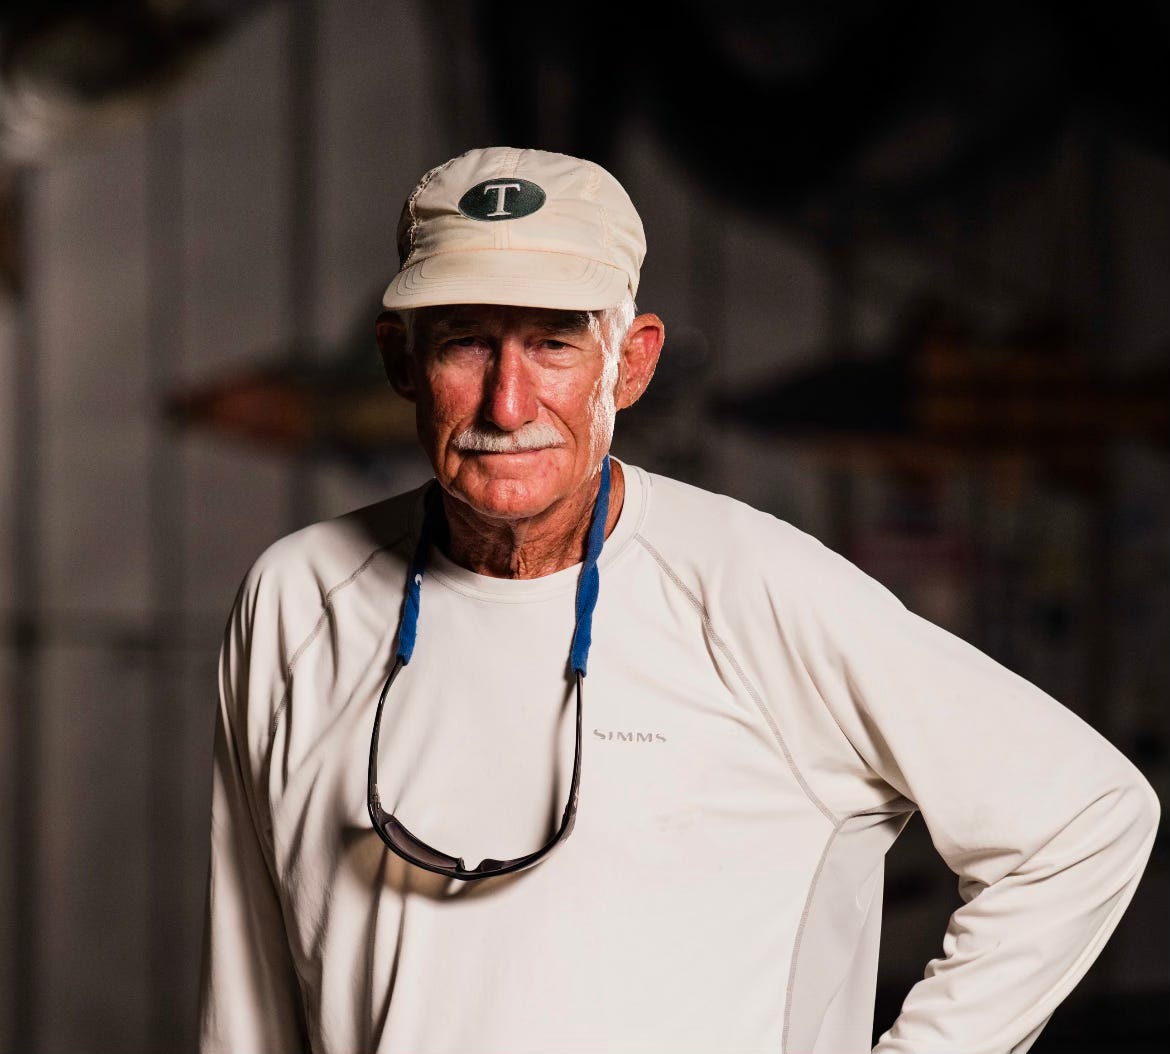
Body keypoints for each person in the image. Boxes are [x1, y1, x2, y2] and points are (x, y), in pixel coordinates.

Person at [199, 146, 1160, 1054]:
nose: (507, 403)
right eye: (465, 344)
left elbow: (1083, 817)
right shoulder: (297, 599)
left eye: (553, 344)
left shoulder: (749, 585)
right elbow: (248, 984)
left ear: (632, 362)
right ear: (401, 361)